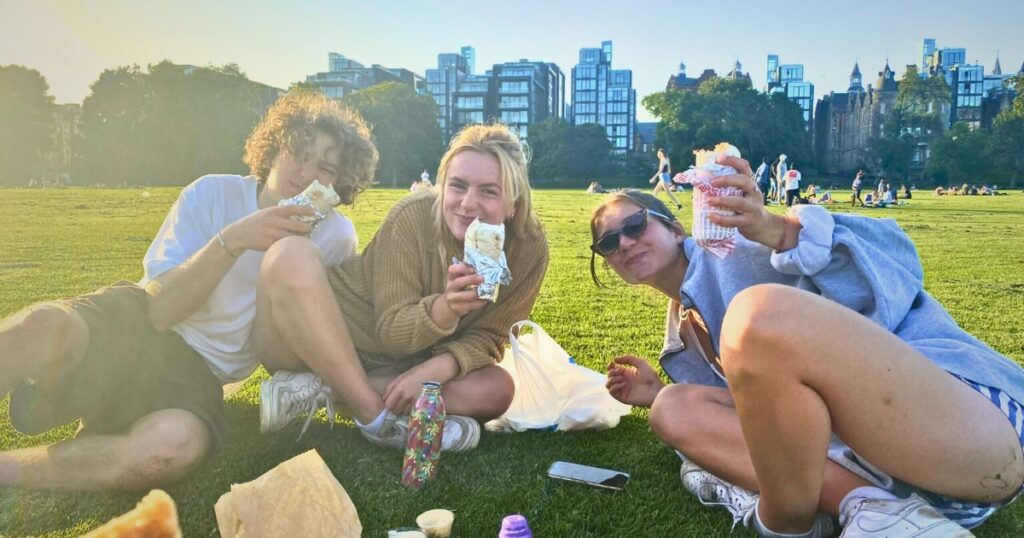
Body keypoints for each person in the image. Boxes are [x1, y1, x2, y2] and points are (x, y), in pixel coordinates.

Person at [590, 159, 1024, 536]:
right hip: (893, 485)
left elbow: (898, 262)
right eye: (609, 243)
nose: (625, 242)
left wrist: (776, 229)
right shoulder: (680, 339)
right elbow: (764, 419)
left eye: (634, 224)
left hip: (970, 431)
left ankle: (780, 521)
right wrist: (653, 394)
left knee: (756, 314)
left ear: (675, 226)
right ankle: (875, 512)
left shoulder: (739, 247)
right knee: (673, 408)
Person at [0, 90, 378, 491]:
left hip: (200, 374)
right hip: (137, 324)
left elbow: (321, 327)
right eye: (297, 152)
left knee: (169, 449)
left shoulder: (336, 236)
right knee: (40, 326)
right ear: (272, 150)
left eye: (325, 167)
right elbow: (158, 309)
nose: (304, 172)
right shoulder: (210, 194)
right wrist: (232, 241)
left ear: (340, 185)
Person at [256, 123, 549, 452]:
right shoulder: (413, 217)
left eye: (489, 191)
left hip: (408, 363)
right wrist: (446, 308)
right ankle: (381, 420)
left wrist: (435, 370)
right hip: (331, 341)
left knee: (499, 388)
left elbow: (491, 337)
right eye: (458, 186)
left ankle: (320, 390)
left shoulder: (529, 250)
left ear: (514, 202)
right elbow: (391, 332)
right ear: (441, 187)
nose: (468, 203)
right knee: (290, 256)